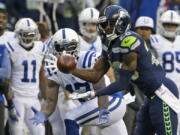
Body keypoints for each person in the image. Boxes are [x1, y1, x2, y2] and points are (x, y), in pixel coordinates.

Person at [49, 5, 179, 135]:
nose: (105, 28)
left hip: (162, 92)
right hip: (149, 95)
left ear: (121, 24)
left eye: (109, 24)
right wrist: (71, 70)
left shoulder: (130, 41)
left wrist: (96, 94)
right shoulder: (107, 43)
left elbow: (122, 83)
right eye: (103, 25)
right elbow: (96, 75)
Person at [30, 28, 129, 135]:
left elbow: (100, 86)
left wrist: (103, 111)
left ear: (77, 46)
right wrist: (43, 114)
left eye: (70, 47)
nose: (65, 52)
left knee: (71, 118)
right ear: (54, 49)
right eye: (60, 47)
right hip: (98, 106)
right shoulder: (53, 71)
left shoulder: (87, 59)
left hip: (109, 101)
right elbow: (50, 102)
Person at [5, 18, 45, 135]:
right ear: (18, 34)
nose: (28, 37)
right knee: (17, 131)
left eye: (31, 34)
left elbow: (43, 72)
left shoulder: (41, 47)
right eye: (25, 34)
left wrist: (46, 96)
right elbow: (7, 74)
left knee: (39, 131)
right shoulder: (10, 48)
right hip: (16, 97)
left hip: (34, 97)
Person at [150, 10, 180, 134]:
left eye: (173, 25)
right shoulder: (154, 40)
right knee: (164, 123)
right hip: (164, 88)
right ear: (161, 24)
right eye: (168, 24)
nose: (170, 28)